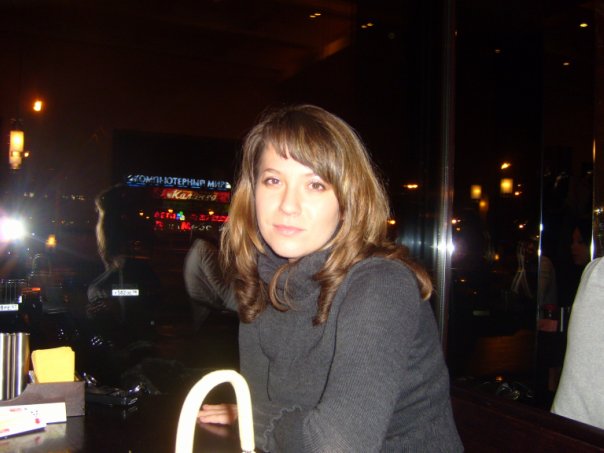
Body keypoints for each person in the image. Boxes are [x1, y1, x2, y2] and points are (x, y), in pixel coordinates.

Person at [185, 104, 463, 452]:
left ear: (347, 202)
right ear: (252, 192)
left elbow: (337, 444)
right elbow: (265, 407)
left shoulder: (381, 284)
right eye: (273, 180)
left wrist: (252, 418)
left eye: (315, 184)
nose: (288, 205)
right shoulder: (263, 281)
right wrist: (252, 415)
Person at [83, 184, 161, 386]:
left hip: (124, 359)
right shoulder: (112, 271)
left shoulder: (125, 271)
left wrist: (114, 309)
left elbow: (136, 309)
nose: (97, 226)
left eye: (100, 216)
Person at [551, 257, 604, 429]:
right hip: (577, 429)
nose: (573, 247)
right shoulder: (597, 272)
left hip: (569, 429)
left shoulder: (594, 270)